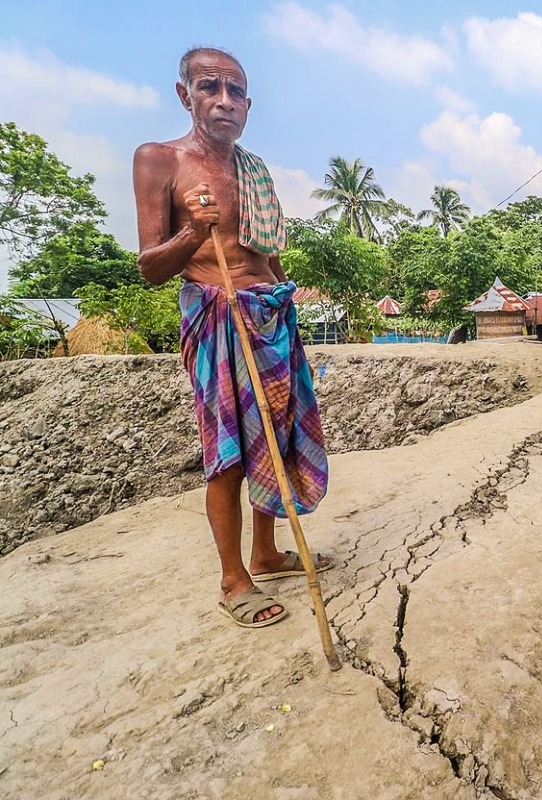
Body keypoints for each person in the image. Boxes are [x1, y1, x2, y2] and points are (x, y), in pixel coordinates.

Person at [133, 47, 331, 629]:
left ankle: (266, 554)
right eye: (209, 87)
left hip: (267, 317)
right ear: (184, 94)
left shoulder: (256, 172)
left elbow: (266, 260)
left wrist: (282, 308)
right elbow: (149, 268)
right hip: (214, 317)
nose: (224, 101)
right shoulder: (158, 160)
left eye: (235, 91)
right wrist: (193, 229)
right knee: (227, 452)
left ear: (248, 104)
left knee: (275, 438)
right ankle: (232, 578)